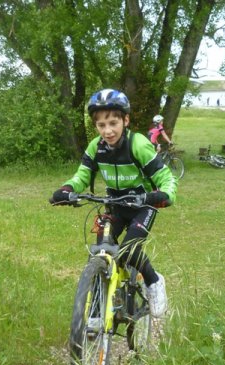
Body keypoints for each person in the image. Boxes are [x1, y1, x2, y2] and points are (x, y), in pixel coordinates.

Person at [50, 88, 178, 321]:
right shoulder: (95, 147)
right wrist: (67, 189)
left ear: (125, 120)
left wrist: (164, 194)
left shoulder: (137, 144)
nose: (108, 131)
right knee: (101, 247)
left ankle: (154, 281)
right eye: (101, 125)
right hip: (115, 205)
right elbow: (82, 176)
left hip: (143, 205)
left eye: (113, 122)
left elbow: (165, 177)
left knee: (129, 249)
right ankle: (100, 308)